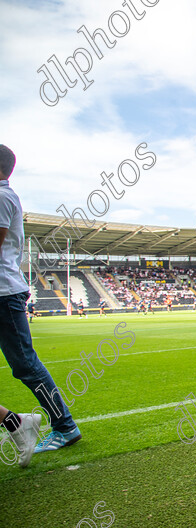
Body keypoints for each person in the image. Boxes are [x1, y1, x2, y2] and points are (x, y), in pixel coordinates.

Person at [0, 145, 82, 455]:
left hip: (3, 293)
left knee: (25, 364)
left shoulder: (2, 197)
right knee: (24, 364)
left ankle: (62, 425)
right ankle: (19, 423)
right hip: (5, 291)